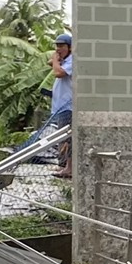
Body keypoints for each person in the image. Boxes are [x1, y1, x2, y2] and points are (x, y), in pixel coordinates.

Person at [47, 32, 74, 178]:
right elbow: (50, 64)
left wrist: (56, 60)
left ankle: (69, 168)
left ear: (70, 47)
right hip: (60, 107)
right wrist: (57, 58)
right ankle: (63, 165)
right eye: (57, 46)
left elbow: (57, 72)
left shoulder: (72, 61)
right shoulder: (64, 60)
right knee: (62, 138)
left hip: (68, 107)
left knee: (67, 138)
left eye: (62, 46)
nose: (58, 49)